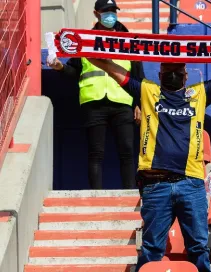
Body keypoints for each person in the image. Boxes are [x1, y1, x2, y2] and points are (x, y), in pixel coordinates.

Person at [84, 57, 211, 271]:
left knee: (198, 248)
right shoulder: (146, 91)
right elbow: (112, 68)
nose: (173, 73)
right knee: (151, 250)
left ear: (186, 76)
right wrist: (82, 49)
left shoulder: (200, 93)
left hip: (191, 185)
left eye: (177, 69)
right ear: (159, 75)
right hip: (155, 184)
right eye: (167, 69)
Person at [47, 0, 144, 189]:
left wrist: (139, 103)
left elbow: (138, 75)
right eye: (106, 11)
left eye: (113, 11)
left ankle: (131, 192)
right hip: (94, 102)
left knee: (127, 151)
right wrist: (60, 68)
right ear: (96, 13)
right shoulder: (85, 40)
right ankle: (96, 195)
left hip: (123, 101)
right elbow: (76, 72)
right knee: (95, 153)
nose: (111, 15)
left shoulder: (129, 39)